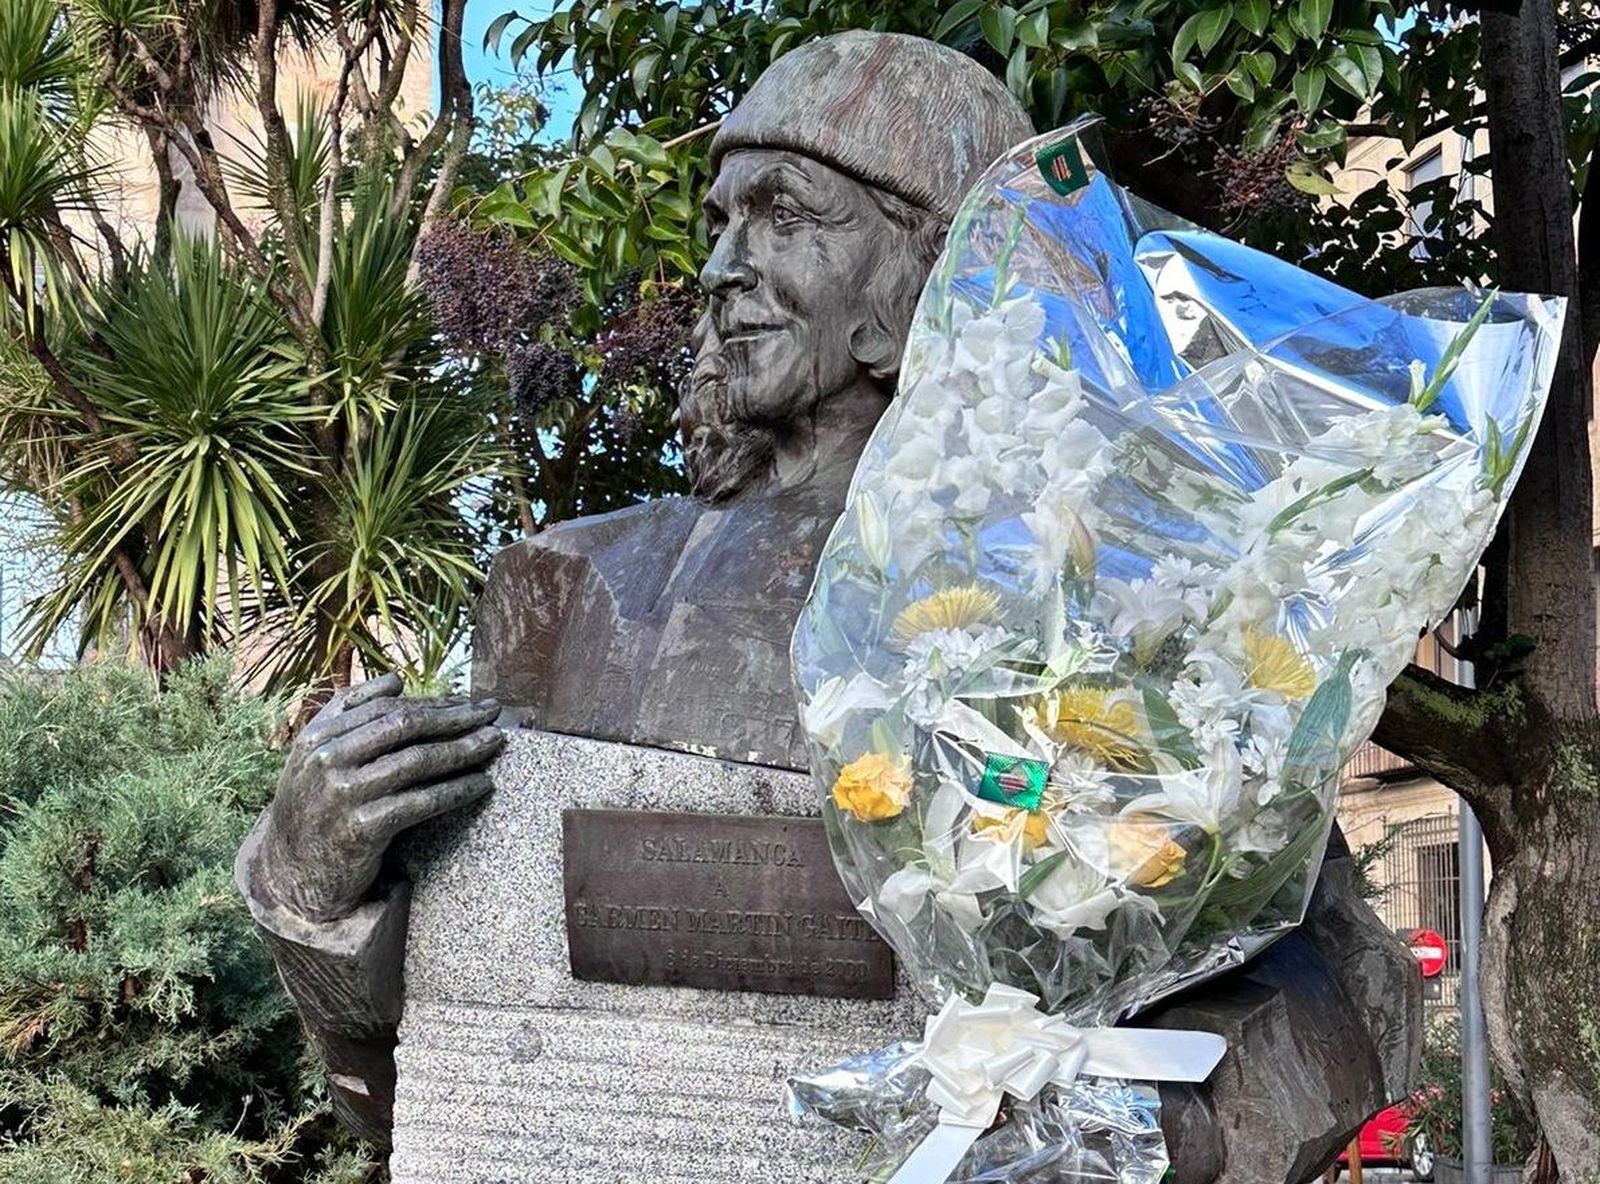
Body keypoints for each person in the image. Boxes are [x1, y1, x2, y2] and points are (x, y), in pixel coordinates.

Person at [237, 32, 1415, 1181]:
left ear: (926, 282)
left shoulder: (1099, 608)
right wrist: (310, 890)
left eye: (785, 216)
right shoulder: (563, 585)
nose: (720, 268)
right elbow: (424, 1083)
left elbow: (1341, 983)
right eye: (722, 221)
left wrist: (1133, 1123)